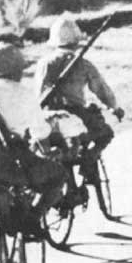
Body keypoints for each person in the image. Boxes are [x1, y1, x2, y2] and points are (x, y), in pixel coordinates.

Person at [0, 43, 67, 236]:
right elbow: (40, 132)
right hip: (12, 162)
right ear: (16, 70)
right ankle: (32, 219)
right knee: (58, 175)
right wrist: (46, 149)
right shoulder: (22, 93)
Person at [34, 14, 123, 188]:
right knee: (106, 133)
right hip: (77, 115)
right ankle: (88, 160)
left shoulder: (44, 63)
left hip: (49, 117)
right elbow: (101, 89)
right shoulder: (83, 64)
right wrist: (114, 108)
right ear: (75, 41)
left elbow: (38, 94)